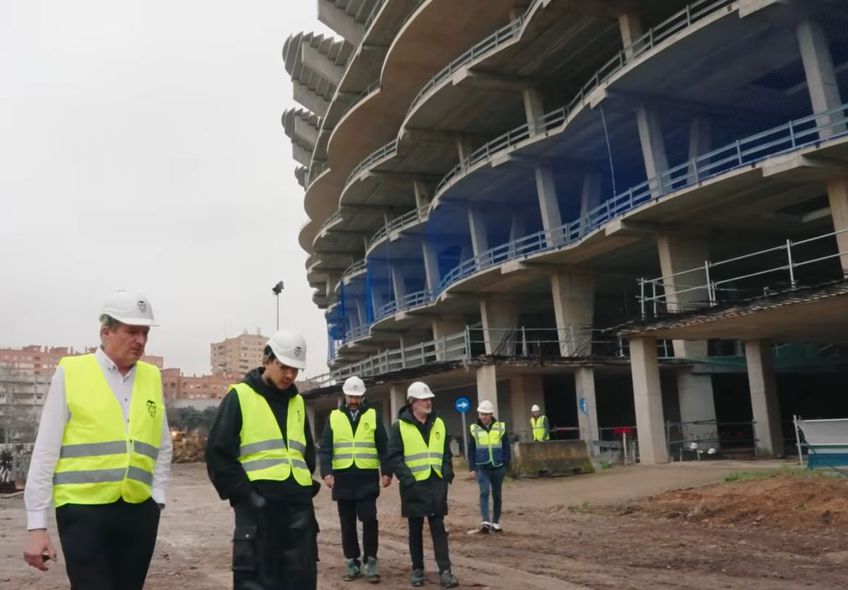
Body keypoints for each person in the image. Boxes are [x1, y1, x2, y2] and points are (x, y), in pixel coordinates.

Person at [22, 290, 172, 590]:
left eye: (144, 333)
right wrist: (36, 525)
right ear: (106, 332)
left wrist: (157, 499)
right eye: (131, 332)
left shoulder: (152, 377)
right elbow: (46, 449)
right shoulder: (71, 372)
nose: (140, 340)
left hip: (138, 512)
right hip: (82, 511)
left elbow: (163, 445)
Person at [206, 329, 318, 590]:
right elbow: (218, 453)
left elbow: (306, 453)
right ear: (267, 359)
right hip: (259, 510)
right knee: (256, 581)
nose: (289, 375)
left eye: (295, 370)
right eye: (283, 366)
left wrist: (303, 486)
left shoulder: (298, 402)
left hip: (298, 509)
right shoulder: (241, 396)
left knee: (299, 579)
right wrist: (245, 495)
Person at [319, 376, 391, 583]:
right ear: (344, 395)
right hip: (343, 479)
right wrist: (327, 472)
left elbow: (383, 447)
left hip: (367, 479)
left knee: (369, 520)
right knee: (347, 524)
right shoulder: (333, 417)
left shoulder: (372, 416)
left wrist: (386, 471)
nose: (353, 400)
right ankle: (352, 561)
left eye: (357, 396)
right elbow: (326, 449)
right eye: (351, 396)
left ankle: (371, 561)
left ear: (362, 396)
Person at [387, 381, 458, 588]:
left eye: (429, 399)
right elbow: (394, 456)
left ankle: (445, 571)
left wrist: (447, 473)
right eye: (424, 399)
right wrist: (407, 479)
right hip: (413, 485)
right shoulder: (399, 426)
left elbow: (446, 452)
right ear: (413, 403)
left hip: (436, 483)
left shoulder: (440, 423)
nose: (428, 402)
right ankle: (417, 569)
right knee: (415, 529)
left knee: (438, 528)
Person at [467, 400, 510, 534]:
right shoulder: (473, 429)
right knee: (484, 492)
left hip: (498, 467)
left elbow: (506, 447)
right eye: (482, 414)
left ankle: (495, 522)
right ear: (479, 414)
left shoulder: (500, 427)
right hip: (482, 467)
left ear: (491, 414)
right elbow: (471, 449)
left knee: (497, 495)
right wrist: (472, 468)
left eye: (487, 414)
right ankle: (485, 521)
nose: (484, 417)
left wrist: (506, 465)